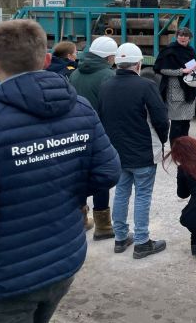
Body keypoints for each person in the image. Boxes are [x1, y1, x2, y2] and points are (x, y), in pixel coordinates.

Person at [0, 20, 120, 322]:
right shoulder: (81, 108)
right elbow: (108, 171)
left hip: (6, 276)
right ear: (45, 60)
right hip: (64, 259)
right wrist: (67, 193)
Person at [99, 43, 170, 259]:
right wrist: (163, 139)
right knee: (142, 196)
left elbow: (101, 117)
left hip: (117, 152)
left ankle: (120, 238)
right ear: (138, 64)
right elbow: (160, 118)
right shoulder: (146, 86)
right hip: (143, 153)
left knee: (121, 193)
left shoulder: (105, 86)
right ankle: (141, 242)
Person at [68, 35, 119, 241]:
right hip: (99, 133)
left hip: (74, 132)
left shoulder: (76, 73)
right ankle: (103, 227)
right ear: (108, 57)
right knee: (101, 178)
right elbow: (111, 109)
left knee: (79, 175)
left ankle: (81, 219)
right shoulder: (108, 76)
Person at [153, 27, 196, 141]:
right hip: (176, 92)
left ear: (189, 38)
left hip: (189, 92)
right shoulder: (169, 50)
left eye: (185, 35)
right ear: (176, 36)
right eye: (180, 35)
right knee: (176, 126)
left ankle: (184, 152)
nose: (183, 37)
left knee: (186, 125)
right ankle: (174, 152)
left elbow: (195, 65)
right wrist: (181, 71)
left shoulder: (191, 50)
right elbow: (161, 69)